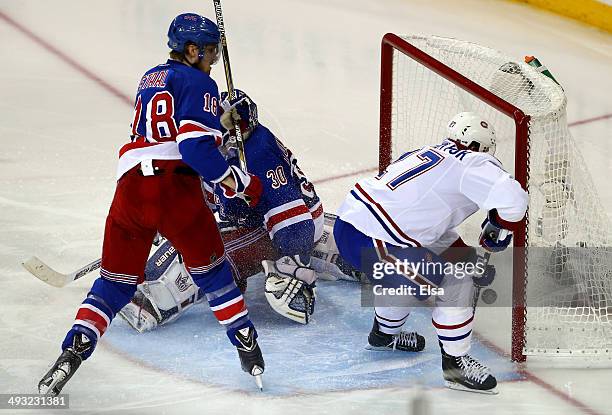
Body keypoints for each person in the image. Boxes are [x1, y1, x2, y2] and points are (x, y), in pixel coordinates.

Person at [38, 14, 265, 396]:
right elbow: (193, 148)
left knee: (113, 285)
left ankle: (73, 351)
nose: (212, 59)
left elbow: (172, 125)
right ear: (192, 51)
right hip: (174, 192)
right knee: (213, 276)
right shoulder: (200, 80)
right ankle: (248, 348)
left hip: (130, 190)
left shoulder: (152, 77)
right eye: (209, 52)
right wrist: (241, 183)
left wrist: (220, 122)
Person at [119, 89, 365, 331]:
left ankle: (152, 298)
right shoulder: (220, 151)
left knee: (197, 246)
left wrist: (293, 269)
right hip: (267, 222)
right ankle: (332, 252)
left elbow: (293, 217)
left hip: (281, 228)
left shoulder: (257, 153)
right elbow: (206, 196)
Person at [333, 112, 528, 394]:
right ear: (479, 147)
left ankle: (384, 335)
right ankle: (456, 366)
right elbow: (514, 199)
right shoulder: (472, 161)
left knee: (411, 266)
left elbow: (428, 230)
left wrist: (468, 259)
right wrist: (499, 227)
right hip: (374, 240)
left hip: (353, 226)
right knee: (457, 280)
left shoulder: (425, 154)